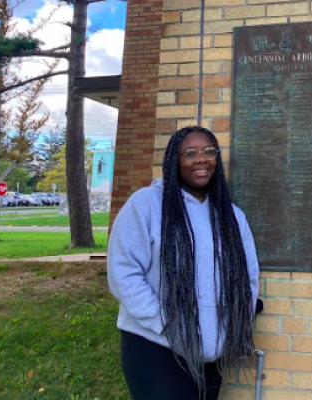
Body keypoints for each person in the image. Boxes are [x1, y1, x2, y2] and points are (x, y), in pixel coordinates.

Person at [108, 126, 260, 400]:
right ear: (173, 160)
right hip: (155, 347)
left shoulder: (231, 216)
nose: (201, 159)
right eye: (190, 153)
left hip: (210, 355)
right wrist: (168, 324)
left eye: (208, 152)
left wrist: (232, 325)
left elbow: (248, 279)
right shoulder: (146, 205)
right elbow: (124, 273)